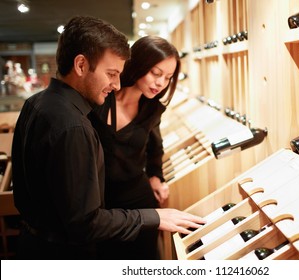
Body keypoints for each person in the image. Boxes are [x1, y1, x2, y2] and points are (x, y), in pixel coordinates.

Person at [11, 15, 204, 260]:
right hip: (77, 237)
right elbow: (85, 222)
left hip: (60, 232)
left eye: (168, 77)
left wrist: (155, 178)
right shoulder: (78, 121)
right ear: (81, 65)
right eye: (111, 73)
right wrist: (153, 217)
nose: (115, 84)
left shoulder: (36, 103)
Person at [88, 35, 181, 259]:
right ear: (138, 63)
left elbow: (155, 149)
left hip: (138, 200)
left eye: (168, 77)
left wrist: (156, 177)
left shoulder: (152, 109)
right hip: (99, 205)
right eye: (156, 73)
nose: (160, 83)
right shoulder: (101, 99)